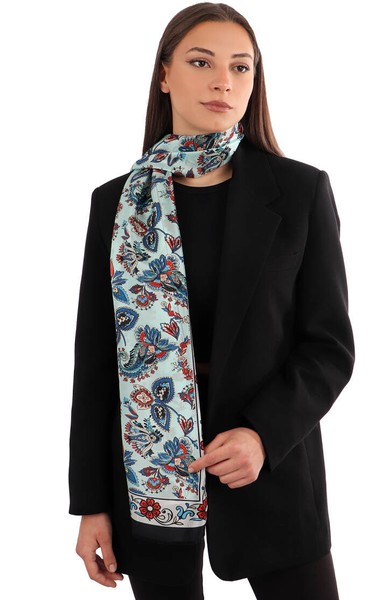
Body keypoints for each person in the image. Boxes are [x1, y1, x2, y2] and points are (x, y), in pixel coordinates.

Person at [68, 3, 355, 599]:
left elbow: (329, 347)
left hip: (273, 477)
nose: (224, 81)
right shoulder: (116, 204)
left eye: (240, 67)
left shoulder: (299, 192)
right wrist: (91, 504)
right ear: (164, 74)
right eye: (202, 62)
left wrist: (262, 435)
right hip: (145, 487)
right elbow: (95, 363)